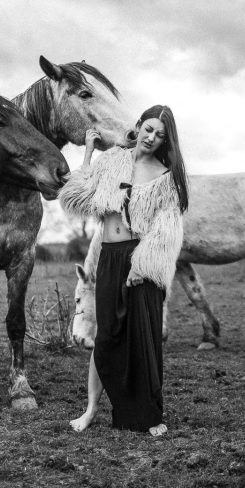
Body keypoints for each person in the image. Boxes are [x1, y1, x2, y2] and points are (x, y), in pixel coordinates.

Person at [59, 105, 189, 436]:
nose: (152, 137)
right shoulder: (115, 159)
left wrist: (142, 267)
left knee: (142, 340)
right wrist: (88, 152)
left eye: (160, 134)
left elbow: (166, 230)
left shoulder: (166, 177)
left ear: (165, 140)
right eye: (148, 129)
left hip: (142, 261)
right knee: (106, 338)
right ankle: (89, 411)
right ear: (138, 127)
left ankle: (148, 415)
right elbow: (78, 198)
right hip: (110, 257)